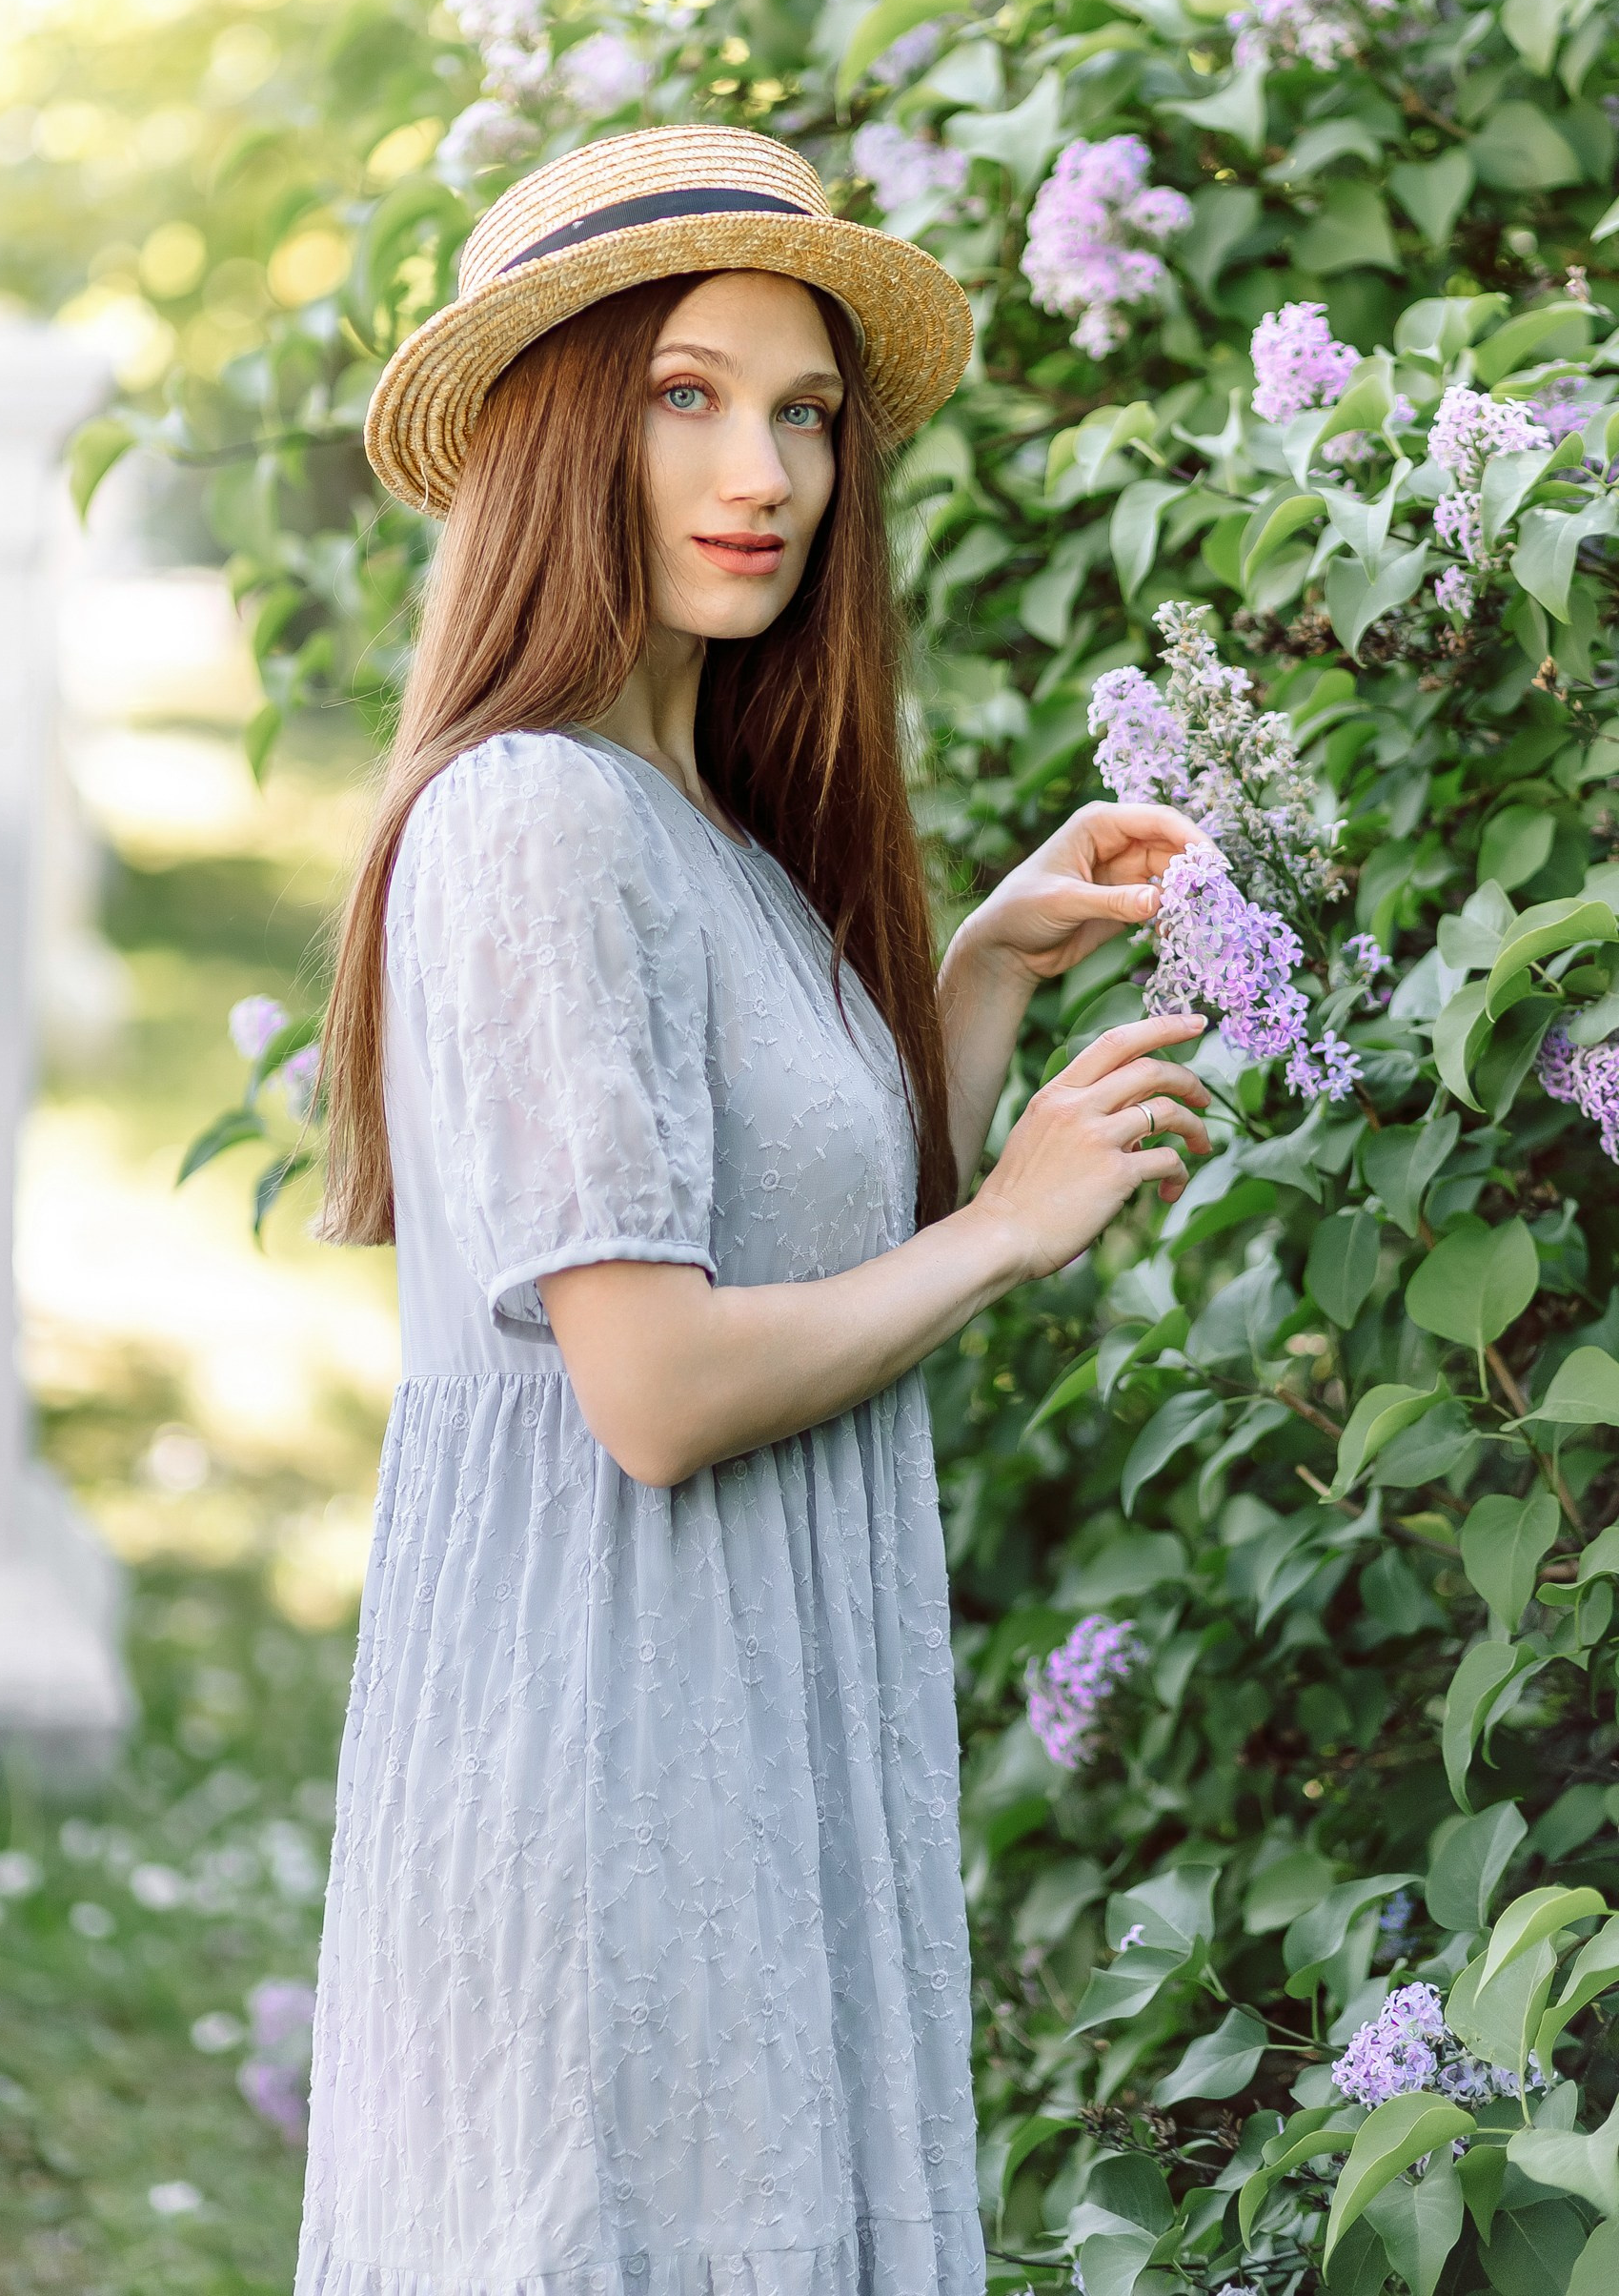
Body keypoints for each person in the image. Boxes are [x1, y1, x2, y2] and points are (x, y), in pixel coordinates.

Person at [296, 125, 1210, 2296]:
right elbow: (658, 1386)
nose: (769, 471)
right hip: (616, 1771)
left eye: (802, 412)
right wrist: (1006, 1227)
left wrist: (972, 977)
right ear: (551, 433)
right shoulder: (538, 820)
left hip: (726, 1736)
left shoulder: (688, 826)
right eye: (683, 394)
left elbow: (788, 1249)